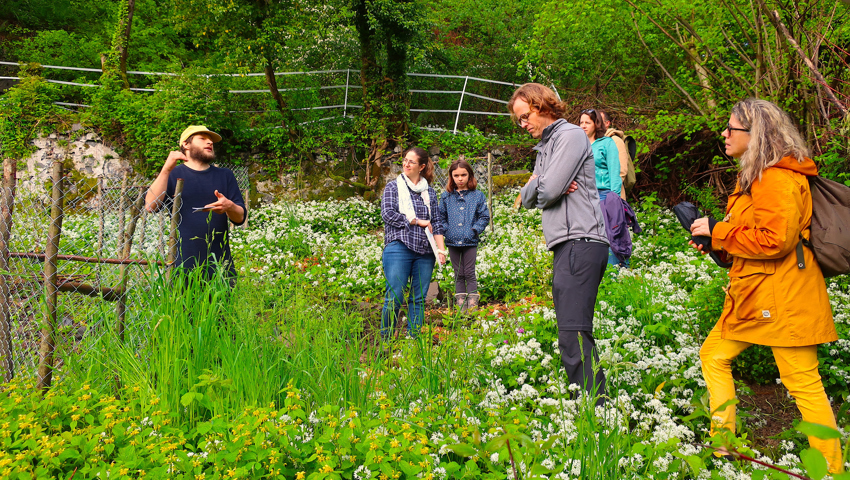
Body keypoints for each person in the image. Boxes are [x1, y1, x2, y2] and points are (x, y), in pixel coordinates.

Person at [690, 98, 843, 474]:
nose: (724, 135)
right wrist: (717, 242)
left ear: (755, 134)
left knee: (803, 383)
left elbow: (776, 240)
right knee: (713, 355)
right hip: (756, 293)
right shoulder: (756, 175)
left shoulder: (776, 177)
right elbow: (749, 237)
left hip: (785, 295)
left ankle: (832, 470)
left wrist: (719, 231)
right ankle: (723, 447)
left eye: (731, 129)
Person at [511, 83, 608, 403]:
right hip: (567, 243)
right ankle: (595, 408)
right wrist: (542, 185)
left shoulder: (570, 136)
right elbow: (526, 198)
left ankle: (598, 411)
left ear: (541, 106)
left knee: (573, 334)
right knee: (573, 332)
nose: (523, 125)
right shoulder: (546, 148)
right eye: (519, 121)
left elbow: (548, 190)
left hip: (581, 240)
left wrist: (544, 185)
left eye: (525, 117)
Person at [145, 126, 246, 283]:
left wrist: (229, 206)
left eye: (211, 139)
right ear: (186, 144)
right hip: (181, 266)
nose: (210, 142)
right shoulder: (172, 174)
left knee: (223, 308)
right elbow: (150, 206)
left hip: (220, 266)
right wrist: (166, 169)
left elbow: (240, 217)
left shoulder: (225, 175)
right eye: (203, 138)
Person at [380, 147, 447, 339]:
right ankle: (386, 340)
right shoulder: (393, 187)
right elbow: (388, 214)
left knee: (418, 299)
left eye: (411, 161)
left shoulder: (430, 193)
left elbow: (437, 224)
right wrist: (417, 221)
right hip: (398, 247)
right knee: (395, 296)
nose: (406, 164)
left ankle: (413, 340)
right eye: (404, 160)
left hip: (425, 251)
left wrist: (440, 251)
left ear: (422, 166)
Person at [437, 160, 491, 313]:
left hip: (470, 241)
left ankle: (472, 308)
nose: (460, 178)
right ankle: (461, 308)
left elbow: (484, 216)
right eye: (456, 175)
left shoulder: (477, 196)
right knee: (458, 273)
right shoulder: (447, 197)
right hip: (452, 241)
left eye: (463, 175)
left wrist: (475, 230)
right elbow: (441, 217)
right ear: (451, 177)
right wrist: (447, 230)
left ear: (469, 176)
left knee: (469, 272)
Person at [579, 108, 627, 267]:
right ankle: (597, 272)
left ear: (596, 124)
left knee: (611, 235)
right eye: (581, 122)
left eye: (587, 122)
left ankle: (616, 271)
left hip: (605, 196)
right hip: (585, 197)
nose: (583, 126)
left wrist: (615, 200)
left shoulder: (607, 143)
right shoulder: (579, 145)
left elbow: (615, 172)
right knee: (591, 237)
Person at [599, 110, 635, 199]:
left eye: (599, 121)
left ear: (607, 123)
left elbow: (621, 171)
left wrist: (611, 196)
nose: (596, 124)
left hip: (611, 197)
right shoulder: (592, 141)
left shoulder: (615, 141)